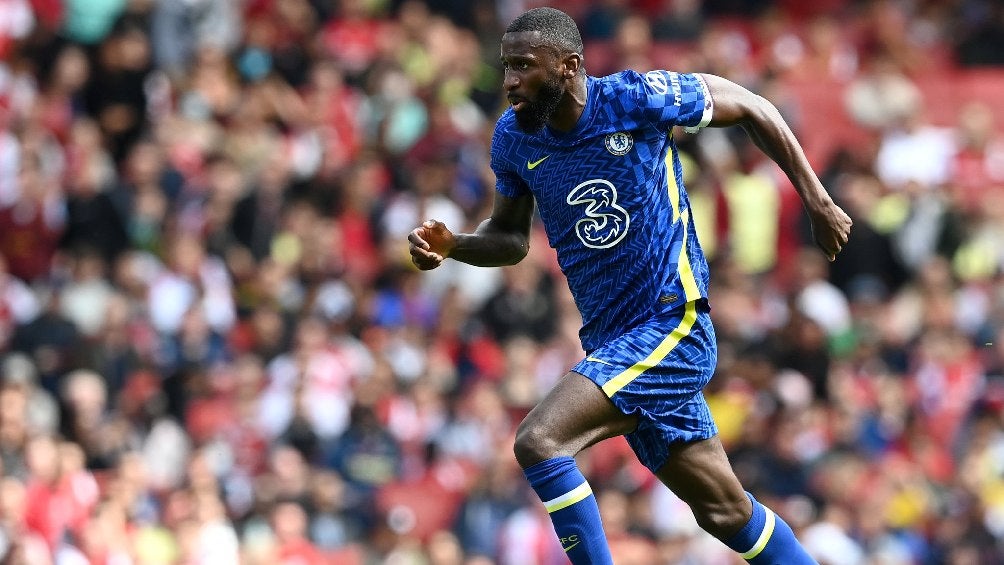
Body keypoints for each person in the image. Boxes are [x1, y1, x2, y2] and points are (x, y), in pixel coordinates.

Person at [408, 7, 851, 564]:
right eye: (505, 67)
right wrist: (455, 247)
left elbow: (754, 107)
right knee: (726, 513)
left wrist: (817, 198)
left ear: (569, 66)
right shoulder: (515, 139)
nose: (510, 81)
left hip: (673, 325)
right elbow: (510, 240)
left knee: (539, 442)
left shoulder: (636, 99)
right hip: (613, 345)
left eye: (523, 66)